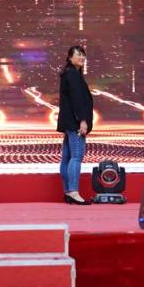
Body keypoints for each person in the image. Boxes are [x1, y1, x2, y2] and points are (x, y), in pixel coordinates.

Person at [58, 45, 93, 205]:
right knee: (76, 156)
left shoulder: (69, 73)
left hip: (69, 121)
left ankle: (68, 191)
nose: (82, 57)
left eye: (83, 55)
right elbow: (77, 99)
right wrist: (82, 120)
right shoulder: (73, 74)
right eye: (78, 55)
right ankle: (73, 191)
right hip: (75, 122)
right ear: (70, 57)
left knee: (67, 157)